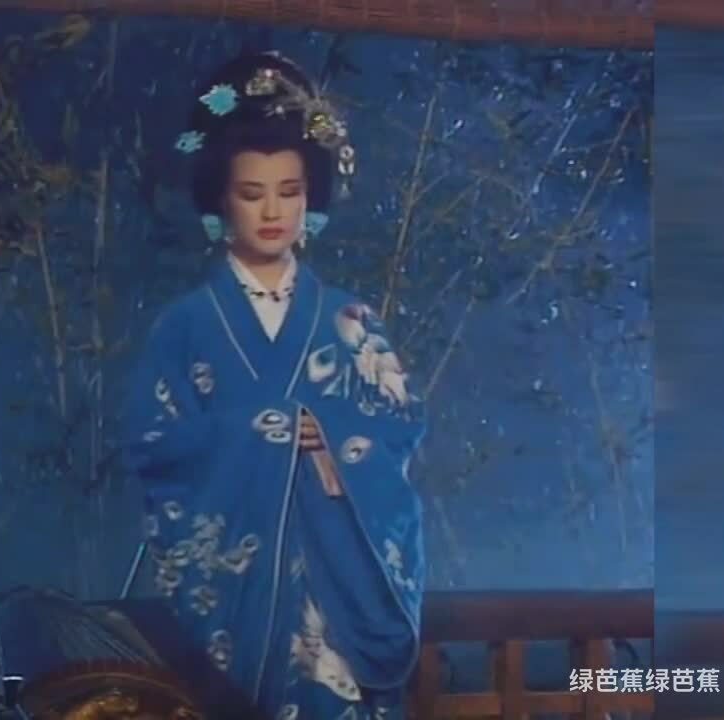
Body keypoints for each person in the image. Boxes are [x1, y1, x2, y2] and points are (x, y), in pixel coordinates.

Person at [121, 51, 427, 720]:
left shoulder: (350, 323)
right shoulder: (184, 327)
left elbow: (398, 432)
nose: (272, 211)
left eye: (289, 192)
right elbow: (154, 447)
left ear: (309, 198)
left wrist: (334, 444)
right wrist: (267, 432)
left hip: (334, 604)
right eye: (251, 193)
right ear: (221, 199)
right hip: (233, 599)